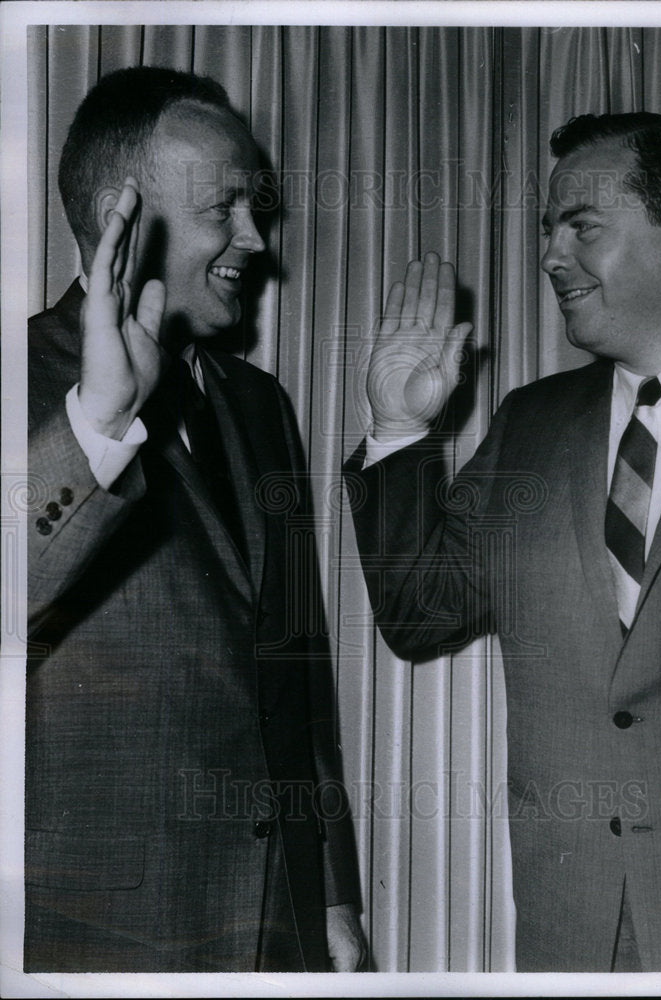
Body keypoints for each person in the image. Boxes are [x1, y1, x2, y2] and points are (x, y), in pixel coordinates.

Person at [346, 112, 661, 971]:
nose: (548, 255)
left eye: (580, 226)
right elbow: (419, 613)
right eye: (548, 230)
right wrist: (396, 429)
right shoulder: (530, 424)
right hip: (570, 932)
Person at [27, 66, 366, 973]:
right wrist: (95, 423)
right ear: (120, 219)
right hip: (102, 934)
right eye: (226, 208)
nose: (256, 239)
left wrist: (331, 894)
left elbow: (297, 675)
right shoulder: (22, 380)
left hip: (278, 924)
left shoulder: (260, 404)